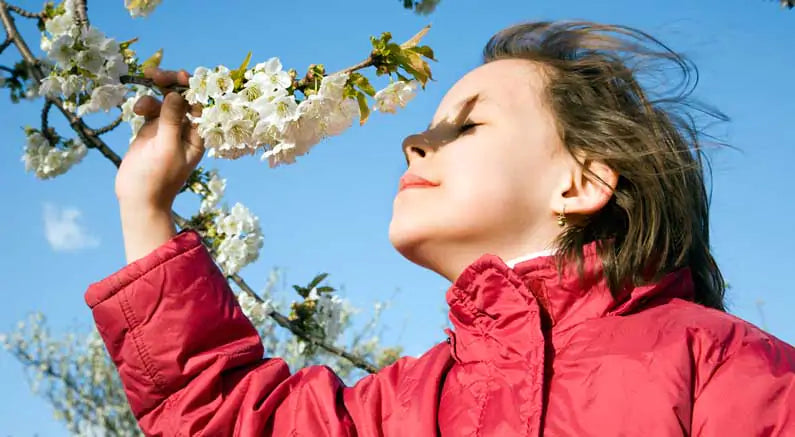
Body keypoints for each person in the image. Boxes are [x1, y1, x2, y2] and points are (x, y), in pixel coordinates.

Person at [87, 21, 795, 436]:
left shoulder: (724, 364)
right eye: (426, 126)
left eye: (466, 124)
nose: (414, 143)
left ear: (578, 182)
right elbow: (229, 416)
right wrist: (146, 205)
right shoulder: (399, 407)